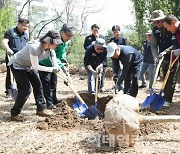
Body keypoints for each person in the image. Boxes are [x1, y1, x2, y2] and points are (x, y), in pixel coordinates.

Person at [8, 30, 62, 121]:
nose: (57, 45)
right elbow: (36, 66)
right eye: (56, 43)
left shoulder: (50, 49)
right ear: (49, 41)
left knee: (38, 85)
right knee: (26, 90)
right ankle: (14, 113)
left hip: (28, 66)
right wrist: (52, 70)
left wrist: (56, 67)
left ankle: (40, 109)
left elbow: (53, 58)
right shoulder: (34, 47)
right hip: (17, 65)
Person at [39, 23, 74, 109]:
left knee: (53, 82)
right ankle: (49, 102)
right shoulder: (54, 38)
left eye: (71, 36)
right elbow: (53, 55)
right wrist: (61, 66)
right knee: (46, 83)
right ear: (62, 32)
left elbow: (61, 54)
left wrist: (63, 60)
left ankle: (53, 99)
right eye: (68, 35)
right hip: (45, 63)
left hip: (55, 64)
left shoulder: (66, 41)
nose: (69, 38)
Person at [149, 10, 179, 106]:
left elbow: (175, 43)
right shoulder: (154, 30)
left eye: (159, 21)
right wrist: (155, 57)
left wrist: (166, 51)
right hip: (162, 56)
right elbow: (153, 45)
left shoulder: (171, 27)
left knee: (171, 77)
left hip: (174, 54)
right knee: (165, 76)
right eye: (155, 22)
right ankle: (165, 96)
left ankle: (168, 99)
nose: (157, 23)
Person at [2, 17, 29, 97]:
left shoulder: (25, 34)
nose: (26, 28)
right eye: (25, 26)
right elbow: (4, 41)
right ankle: (9, 91)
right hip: (12, 56)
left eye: (27, 26)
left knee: (22, 74)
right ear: (19, 24)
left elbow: (27, 44)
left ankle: (20, 90)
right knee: (11, 73)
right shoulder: (10, 32)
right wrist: (8, 49)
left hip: (22, 57)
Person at [84, 24, 106, 92]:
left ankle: (98, 91)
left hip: (98, 63)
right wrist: (93, 71)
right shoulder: (89, 49)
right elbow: (87, 63)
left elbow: (104, 61)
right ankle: (91, 93)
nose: (100, 50)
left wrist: (99, 67)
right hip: (90, 62)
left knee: (99, 76)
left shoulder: (105, 49)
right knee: (91, 77)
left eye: (101, 49)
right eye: (98, 49)